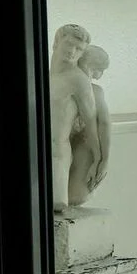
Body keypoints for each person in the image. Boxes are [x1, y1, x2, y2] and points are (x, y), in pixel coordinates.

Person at [49, 23, 99, 210]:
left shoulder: (78, 80)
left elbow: (91, 123)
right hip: (34, 153)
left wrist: (98, 160)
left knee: (55, 205)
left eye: (79, 49)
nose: (72, 51)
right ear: (56, 42)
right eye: (69, 44)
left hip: (57, 156)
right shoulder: (40, 75)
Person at [68, 45, 111, 205]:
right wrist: (104, 160)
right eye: (101, 70)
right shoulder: (95, 91)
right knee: (77, 196)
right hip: (74, 144)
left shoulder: (61, 83)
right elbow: (104, 124)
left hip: (67, 144)